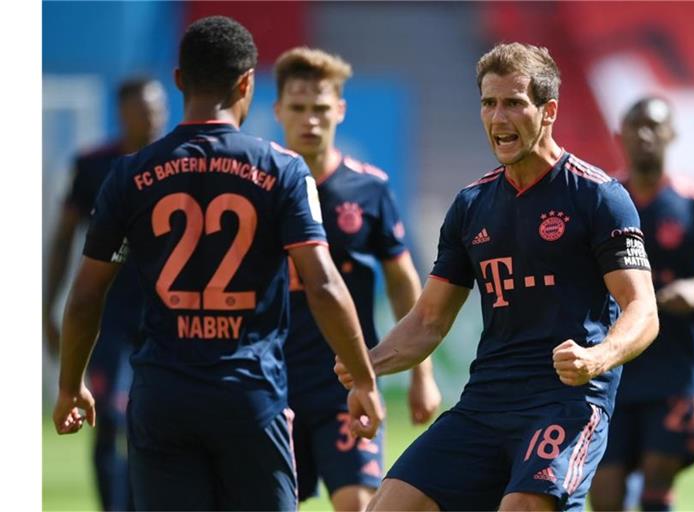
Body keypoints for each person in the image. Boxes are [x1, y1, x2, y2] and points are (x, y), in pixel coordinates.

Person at [51, 16, 384, 511]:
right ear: (248, 82)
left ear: (180, 80)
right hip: (248, 396)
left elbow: (85, 295)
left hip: (162, 396)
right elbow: (324, 286)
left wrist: (70, 385)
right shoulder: (283, 170)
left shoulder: (128, 175)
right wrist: (363, 380)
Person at [335, 42, 659, 511]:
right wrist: (368, 365)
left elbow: (643, 308)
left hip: (564, 403)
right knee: (389, 505)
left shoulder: (599, 197)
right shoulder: (471, 205)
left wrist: (598, 356)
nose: (497, 117)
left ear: (548, 112)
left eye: (513, 103)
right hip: (485, 403)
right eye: (489, 103)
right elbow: (428, 320)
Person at [273, 47, 442, 510]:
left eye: (321, 108)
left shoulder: (368, 188)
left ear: (340, 110)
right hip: (271, 382)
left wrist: (420, 374)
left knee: (359, 503)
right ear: (278, 110)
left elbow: (402, 280)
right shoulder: (259, 185)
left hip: (346, 378)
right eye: (299, 108)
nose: (310, 120)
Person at [589, 97, 694, 512]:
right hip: (613, 368)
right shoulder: (601, 202)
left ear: (671, 136)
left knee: (656, 483)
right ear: (620, 135)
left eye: (655, 126)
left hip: (675, 372)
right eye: (636, 126)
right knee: (606, 494)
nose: (645, 135)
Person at [43, 76, 167, 511]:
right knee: (108, 416)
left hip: (164, 318)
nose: (150, 118)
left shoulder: (180, 165)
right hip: (108, 319)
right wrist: (47, 309)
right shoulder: (94, 166)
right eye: (141, 110)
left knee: (148, 423)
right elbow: (63, 239)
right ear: (122, 114)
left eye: (156, 109)